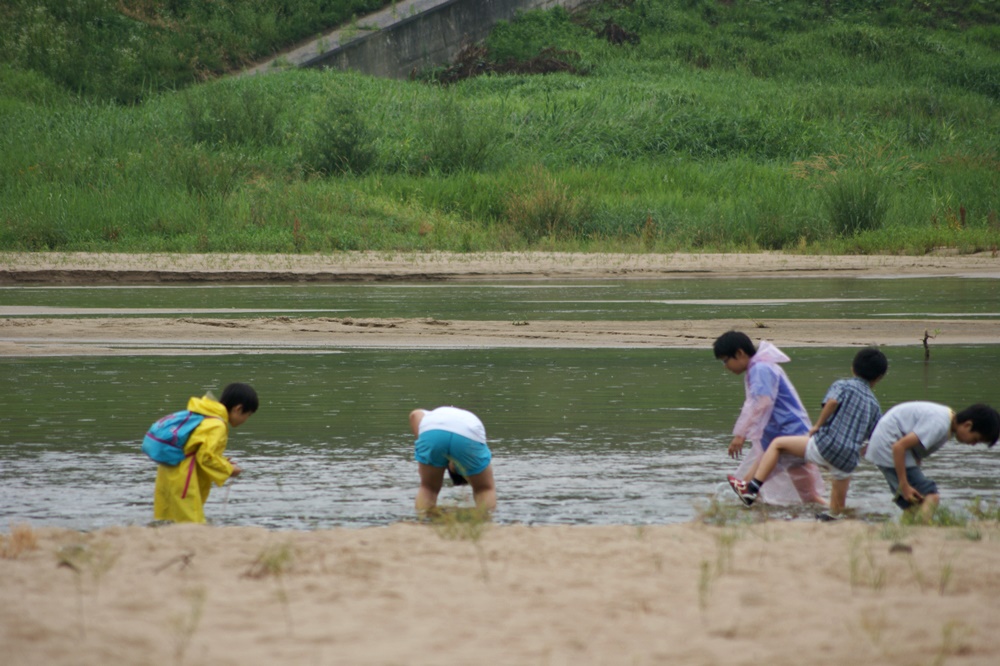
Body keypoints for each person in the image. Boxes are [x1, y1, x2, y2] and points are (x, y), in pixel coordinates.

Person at [728, 347, 888, 515]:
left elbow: (832, 402)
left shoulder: (843, 385)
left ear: (853, 368)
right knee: (836, 508)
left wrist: (817, 425)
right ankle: (850, 517)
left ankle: (752, 488)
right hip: (847, 460)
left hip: (823, 447)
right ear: (878, 378)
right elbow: (877, 436)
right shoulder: (874, 405)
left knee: (777, 444)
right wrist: (860, 451)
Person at [713, 330, 825, 505]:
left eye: (726, 360)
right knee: (806, 497)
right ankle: (838, 516)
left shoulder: (761, 368)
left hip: (789, 435)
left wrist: (740, 435)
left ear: (740, 353)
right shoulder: (760, 367)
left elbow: (761, 403)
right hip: (780, 438)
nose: (725, 366)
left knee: (750, 488)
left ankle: (839, 516)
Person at [863, 402, 1000, 519]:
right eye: (975, 439)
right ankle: (922, 530)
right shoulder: (939, 424)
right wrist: (904, 485)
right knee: (930, 495)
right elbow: (899, 446)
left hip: (885, 444)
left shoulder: (946, 422)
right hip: (888, 445)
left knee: (914, 503)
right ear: (967, 425)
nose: (973, 444)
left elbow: (913, 446)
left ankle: (907, 528)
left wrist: (915, 465)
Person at [153, 383, 259, 523]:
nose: (246, 419)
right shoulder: (217, 425)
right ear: (238, 409)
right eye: (248, 414)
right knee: (190, 521)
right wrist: (228, 469)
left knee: (168, 517)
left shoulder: (205, 416)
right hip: (183, 476)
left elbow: (195, 450)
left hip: (170, 469)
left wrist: (221, 461)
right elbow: (206, 457)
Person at [409, 406, 496, 512]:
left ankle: (423, 519)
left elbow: (415, 415)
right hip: (468, 434)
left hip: (433, 430)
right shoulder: (469, 422)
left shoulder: (435, 415)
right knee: (484, 489)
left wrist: (429, 451)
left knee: (428, 487)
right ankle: (486, 519)